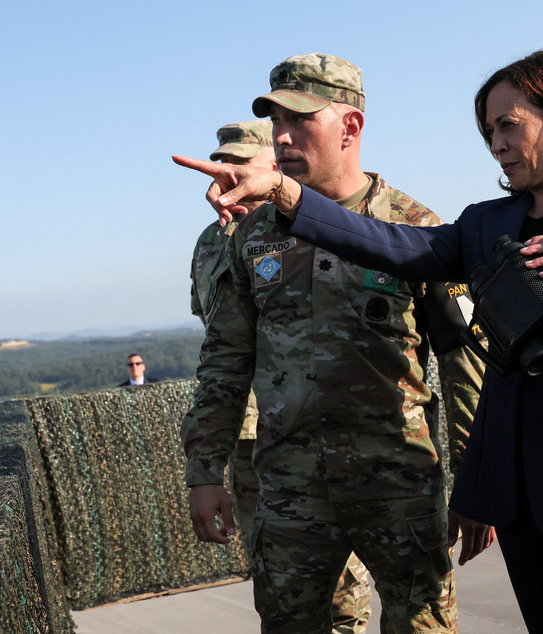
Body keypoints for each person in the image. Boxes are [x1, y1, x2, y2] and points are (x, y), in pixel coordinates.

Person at [174, 47, 543, 633]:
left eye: (508, 125)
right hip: (521, 493)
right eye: (487, 129)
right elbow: (388, 244)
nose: (494, 142)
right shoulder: (486, 223)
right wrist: (286, 195)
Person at [180, 53, 488, 633]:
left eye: (301, 120)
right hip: (290, 491)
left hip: (398, 486)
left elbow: (463, 359)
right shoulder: (251, 237)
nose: (283, 137)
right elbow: (224, 361)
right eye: (276, 122)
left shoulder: (413, 227)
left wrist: (479, 478)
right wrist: (204, 470)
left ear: (350, 127)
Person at [190, 119, 373, 633]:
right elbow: (220, 346)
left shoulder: (328, 225)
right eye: (222, 167)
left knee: (343, 593)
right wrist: (207, 463)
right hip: (257, 440)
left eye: (241, 168)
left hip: (336, 441)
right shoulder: (213, 243)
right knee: (277, 582)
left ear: (274, 168)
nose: (227, 179)